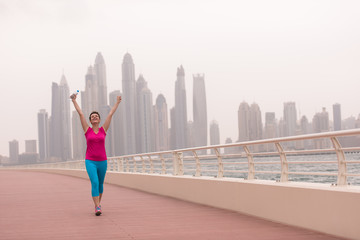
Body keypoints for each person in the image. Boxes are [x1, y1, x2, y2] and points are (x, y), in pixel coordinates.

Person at [70, 92, 122, 216]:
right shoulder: (87, 130)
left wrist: (117, 102)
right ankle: (97, 207)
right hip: (90, 161)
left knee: (100, 184)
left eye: (96, 116)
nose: (94, 117)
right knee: (94, 182)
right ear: (90, 120)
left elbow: (110, 114)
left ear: (99, 120)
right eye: (92, 116)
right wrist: (74, 101)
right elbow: (81, 113)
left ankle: (98, 204)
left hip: (102, 161)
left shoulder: (103, 130)